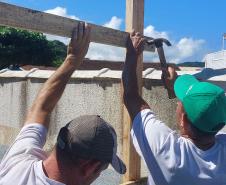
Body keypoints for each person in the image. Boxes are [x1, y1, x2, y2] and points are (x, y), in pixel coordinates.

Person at [0, 22, 126, 185]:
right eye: (101, 171)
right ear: (90, 168)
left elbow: (41, 108)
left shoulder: (17, 162)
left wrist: (72, 60)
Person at [122, 30, 226, 185]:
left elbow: (130, 96)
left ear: (183, 119)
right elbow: (208, 111)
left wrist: (132, 54)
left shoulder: (166, 150)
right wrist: (176, 84)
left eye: (181, 102)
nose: (178, 102)